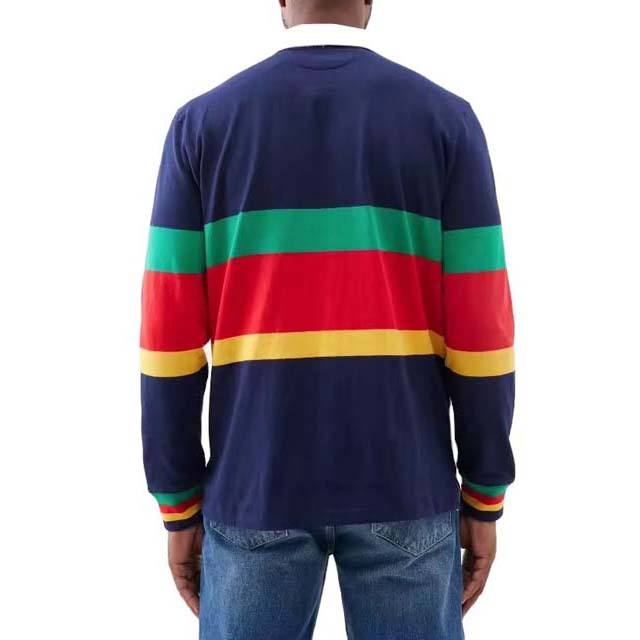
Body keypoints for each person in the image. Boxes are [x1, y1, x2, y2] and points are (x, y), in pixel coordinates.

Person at [139, 1, 515, 637]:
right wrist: (484, 493)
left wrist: (177, 503)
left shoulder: (203, 125)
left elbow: (167, 341)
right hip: (406, 482)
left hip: (256, 484)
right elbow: (483, 335)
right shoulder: (445, 122)